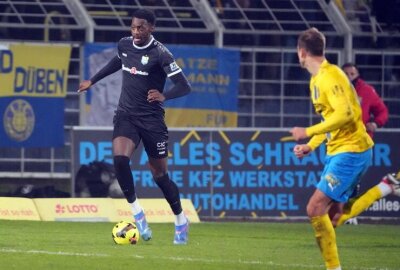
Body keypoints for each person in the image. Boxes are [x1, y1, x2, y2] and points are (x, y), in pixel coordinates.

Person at [77, 9, 191, 245]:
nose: (136, 32)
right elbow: (116, 62)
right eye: (133, 27)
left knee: (160, 176)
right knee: (120, 160)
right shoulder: (124, 45)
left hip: (152, 121)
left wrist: (164, 95)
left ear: (151, 28)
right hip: (126, 115)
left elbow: (184, 86)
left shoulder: (161, 54)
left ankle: (180, 220)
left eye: (141, 28)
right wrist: (93, 80)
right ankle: (138, 213)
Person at [289, 27, 399, 270]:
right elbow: (329, 120)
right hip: (338, 149)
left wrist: (307, 132)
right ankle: (386, 186)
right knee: (334, 216)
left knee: (314, 207)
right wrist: (311, 144)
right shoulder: (317, 79)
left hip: (352, 150)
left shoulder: (330, 77)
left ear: (301, 52)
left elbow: (347, 114)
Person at [342, 62, 388, 138]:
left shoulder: (367, 91)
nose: (349, 77)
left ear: (358, 75)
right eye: (346, 74)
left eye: (352, 74)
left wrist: (375, 123)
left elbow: (382, 111)